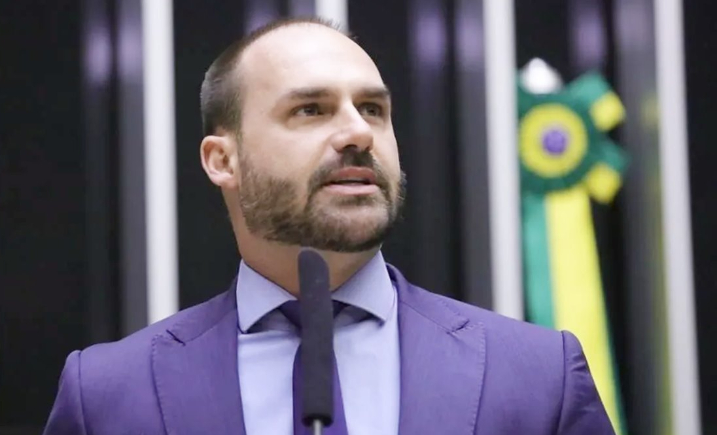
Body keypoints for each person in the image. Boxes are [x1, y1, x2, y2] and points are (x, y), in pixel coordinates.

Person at [43, 17, 614, 435]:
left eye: (373, 110)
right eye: (310, 110)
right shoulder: (108, 394)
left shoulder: (540, 377)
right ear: (222, 160)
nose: (358, 133)